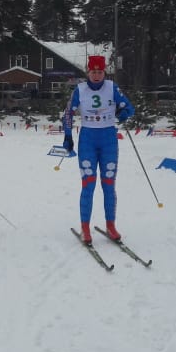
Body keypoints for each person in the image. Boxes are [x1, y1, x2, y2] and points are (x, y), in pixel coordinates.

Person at [61, 55, 135, 246]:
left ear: (104, 72)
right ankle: (85, 227)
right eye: (93, 71)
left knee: (109, 184)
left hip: (108, 140)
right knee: (89, 184)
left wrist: (122, 113)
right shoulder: (80, 90)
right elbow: (68, 114)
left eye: (99, 72)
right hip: (88, 140)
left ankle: (111, 225)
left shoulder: (112, 88)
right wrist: (68, 136)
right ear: (87, 72)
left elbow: (130, 109)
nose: (96, 75)